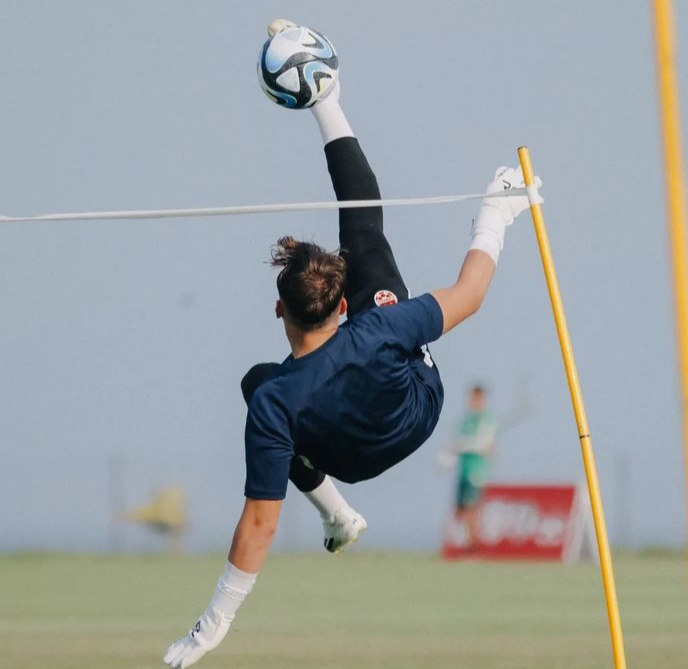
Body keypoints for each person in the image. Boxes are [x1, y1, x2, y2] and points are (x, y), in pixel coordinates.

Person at [163, 19, 541, 669]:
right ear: (341, 304)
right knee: (366, 237)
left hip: (349, 454)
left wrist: (209, 629)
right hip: (416, 412)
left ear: (278, 307)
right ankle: (326, 95)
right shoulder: (377, 325)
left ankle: (338, 514)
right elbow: (470, 293)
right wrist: (496, 209)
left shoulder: (273, 403)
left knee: (258, 380)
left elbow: (260, 523)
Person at [438, 385, 498, 544]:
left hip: (477, 472)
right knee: (461, 509)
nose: (474, 401)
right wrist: (447, 459)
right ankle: (466, 543)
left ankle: (474, 545)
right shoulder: (465, 421)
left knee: (472, 508)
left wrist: (471, 445)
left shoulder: (487, 421)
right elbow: (455, 444)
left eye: (477, 398)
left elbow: (490, 448)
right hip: (463, 471)